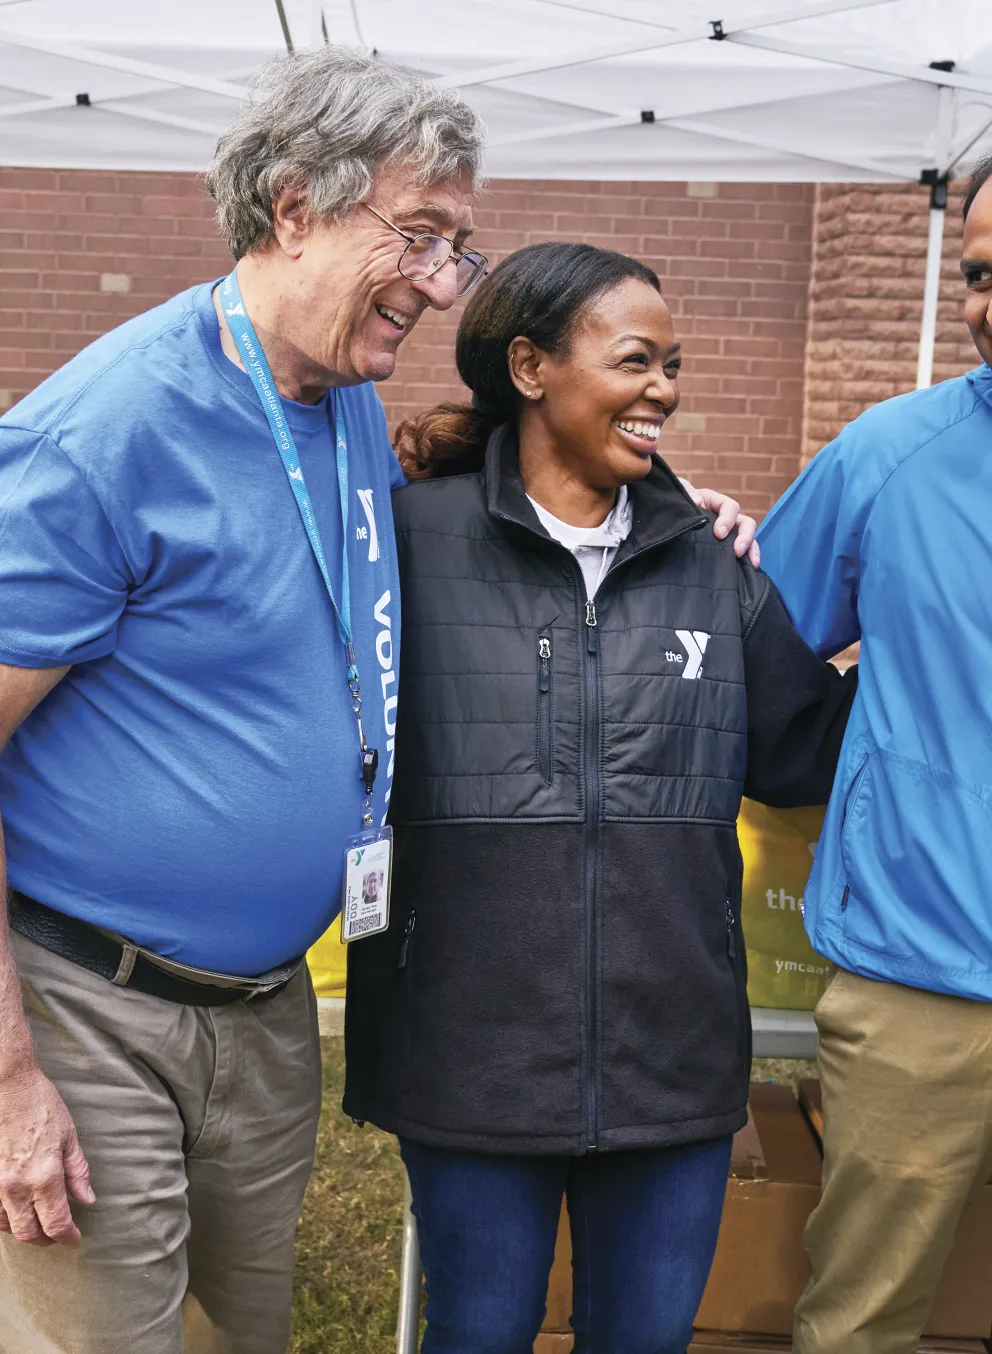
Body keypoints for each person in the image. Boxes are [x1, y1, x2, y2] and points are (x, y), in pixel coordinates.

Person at [0, 45, 753, 1354]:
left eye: (457, 245)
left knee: (247, 1331)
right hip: (92, 1009)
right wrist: (10, 1074)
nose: (441, 281)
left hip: (264, 1001)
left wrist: (679, 511)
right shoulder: (107, 433)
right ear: (294, 207)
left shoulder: (341, 398)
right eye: (419, 234)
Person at [343, 241, 858, 1354]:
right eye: (635, 360)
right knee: (475, 1332)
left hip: (670, 1062)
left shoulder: (711, 566)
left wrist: (930, 632)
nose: (663, 389)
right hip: (467, 1055)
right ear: (529, 367)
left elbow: (812, 751)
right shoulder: (403, 545)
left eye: (672, 364)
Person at [756, 149, 992, 1354]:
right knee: (860, 1325)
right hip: (917, 988)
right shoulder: (882, 457)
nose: (987, 302)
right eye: (977, 274)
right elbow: (756, 655)